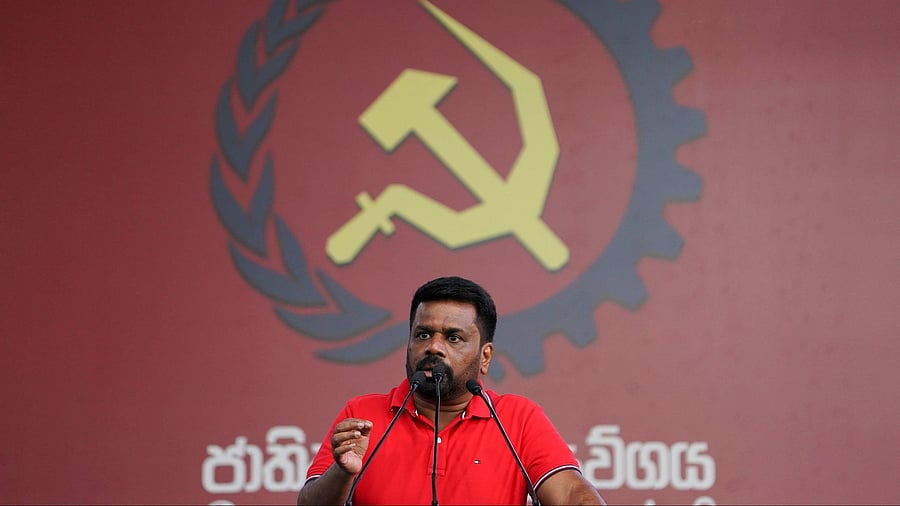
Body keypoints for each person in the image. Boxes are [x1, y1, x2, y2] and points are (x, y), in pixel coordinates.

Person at [297, 276, 605, 505]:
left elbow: (570, 495)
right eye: (423, 334)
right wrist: (343, 473)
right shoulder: (363, 414)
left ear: (485, 357)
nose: (433, 347)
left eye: (453, 338)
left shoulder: (517, 418)